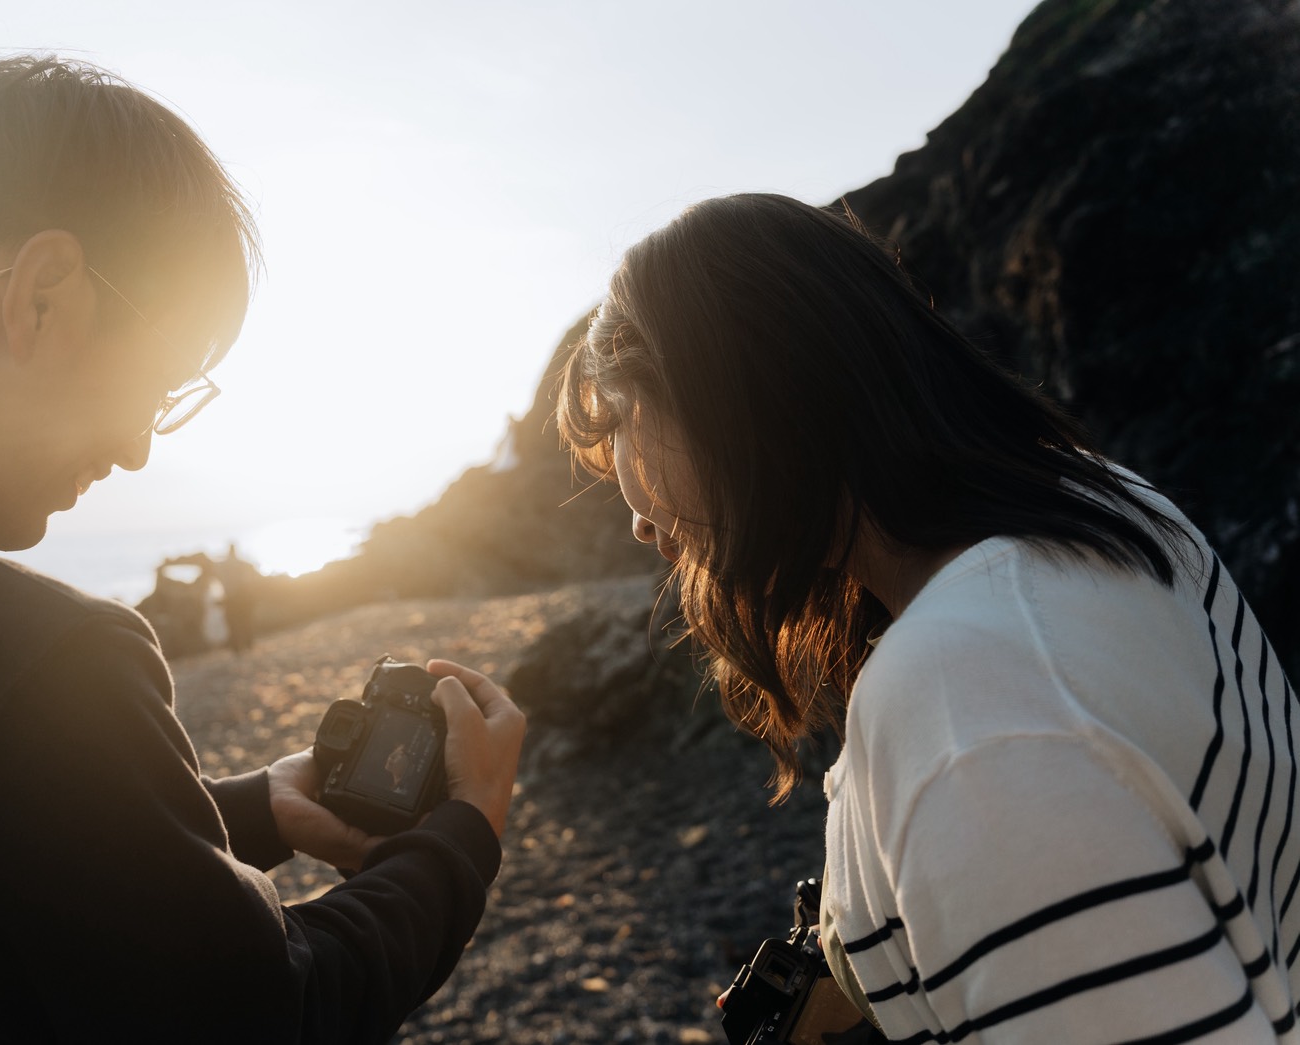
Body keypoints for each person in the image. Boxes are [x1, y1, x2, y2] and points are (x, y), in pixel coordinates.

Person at [0, 56, 524, 1043]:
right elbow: (275, 1012)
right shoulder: (35, 651)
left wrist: (250, 811)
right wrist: (465, 833)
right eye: (156, 384)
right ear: (44, 297)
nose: (137, 447)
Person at [556, 192, 1298, 1041]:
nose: (637, 520)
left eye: (620, 419)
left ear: (741, 400)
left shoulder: (965, 697)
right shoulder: (1099, 503)